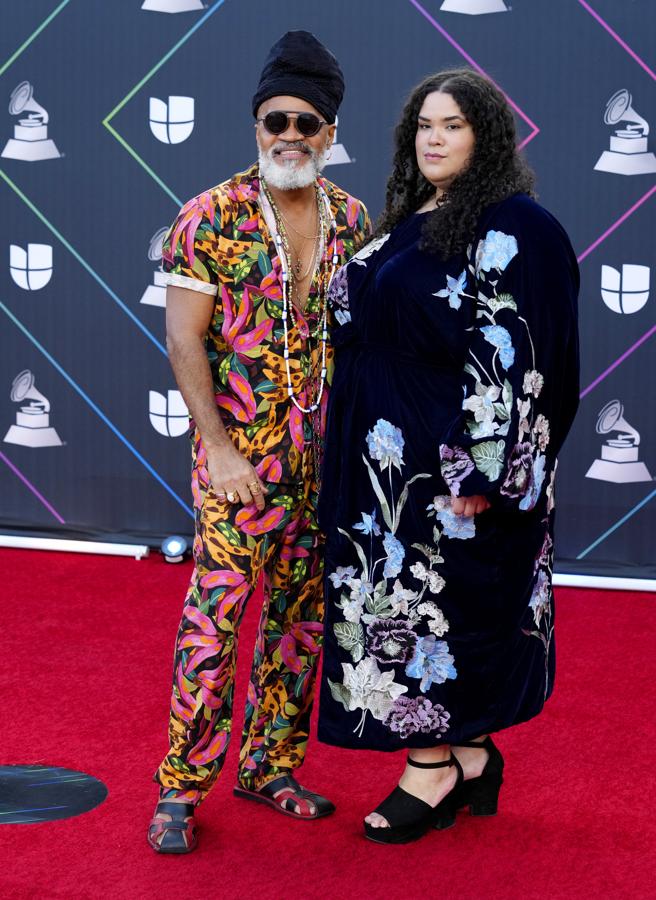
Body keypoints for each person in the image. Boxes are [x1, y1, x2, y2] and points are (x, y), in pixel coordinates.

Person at [317, 68, 579, 844]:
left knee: (433, 615)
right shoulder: (417, 217)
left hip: (446, 470)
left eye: (453, 125)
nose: (433, 137)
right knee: (396, 608)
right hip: (381, 462)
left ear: (486, 135)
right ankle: (469, 754)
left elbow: (527, 357)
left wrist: (483, 472)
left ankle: (429, 764)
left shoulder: (519, 227)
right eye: (424, 125)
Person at [147, 30, 371, 854]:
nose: (289, 133)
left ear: (329, 132)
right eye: (275, 118)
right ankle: (180, 784)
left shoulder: (352, 219)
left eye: (306, 122)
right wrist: (223, 451)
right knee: (215, 626)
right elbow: (182, 344)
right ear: (255, 125)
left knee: (300, 626)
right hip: (237, 468)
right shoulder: (209, 216)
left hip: (320, 470)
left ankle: (269, 765)